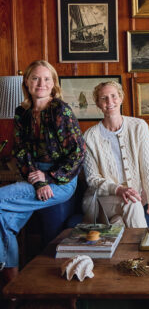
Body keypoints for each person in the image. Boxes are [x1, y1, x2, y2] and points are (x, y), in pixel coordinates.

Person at [0, 60, 86, 284]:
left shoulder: (60, 110)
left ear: (53, 83)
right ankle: (12, 288)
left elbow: (78, 154)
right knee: (3, 221)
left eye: (47, 79)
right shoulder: (22, 112)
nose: (41, 83)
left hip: (62, 180)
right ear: (27, 82)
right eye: (36, 78)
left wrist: (48, 178)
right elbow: (20, 151)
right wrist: (38, 182)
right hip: (33, 177)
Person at [82, 81, 149, 228]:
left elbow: (146, 167)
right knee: (133, 204)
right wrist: (118, 189)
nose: (109, 102)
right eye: (103, 98)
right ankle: (144, 248)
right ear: (97, 103)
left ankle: (115, 225)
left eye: (113, 96)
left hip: (134, 195)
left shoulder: (139, 126)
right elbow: (92, 179)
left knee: (120, 220)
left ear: (121, 98)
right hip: (101, 199)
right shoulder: (89, 137)